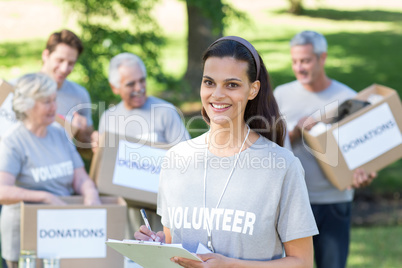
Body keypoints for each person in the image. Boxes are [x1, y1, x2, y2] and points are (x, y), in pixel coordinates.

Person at [135, 36, 318, 267]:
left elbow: (302, 262)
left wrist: (229, 265)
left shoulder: (281, 166)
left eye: (232, 85)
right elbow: (175, 244)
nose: (218, 94)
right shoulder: (176, 159)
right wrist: (159, 244)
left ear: (253, 89)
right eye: (209, 82)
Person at [274, 31, 376, 268]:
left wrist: (365, 173)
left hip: (334, 201)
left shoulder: (348, 98)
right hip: (291, 202)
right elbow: (270, 144)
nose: (299, 67)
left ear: (322, 58)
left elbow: (364, 154)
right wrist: (297, 131)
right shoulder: (280, 95)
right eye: (295, 61)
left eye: (306, 61)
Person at [0, 73, 100, 268]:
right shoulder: (13, 141)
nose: (54, 107)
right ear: (27, 105)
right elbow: (2, 191)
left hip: (61, 235)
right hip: (25, 244)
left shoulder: (58, 132)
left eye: (54, 100)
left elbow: (80, 177)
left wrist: (91, 194)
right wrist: (44, 197)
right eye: (47, 102)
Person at [91, 52, 190, 237]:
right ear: (115, 87)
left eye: (142, 81)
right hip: (126, 216)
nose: (139, 88)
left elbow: (188, 160)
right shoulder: (109, 119)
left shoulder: (165, 112)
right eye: (131, 84)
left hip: (163, 214)